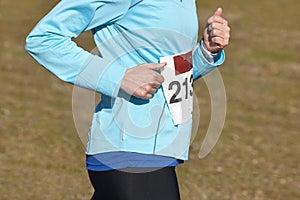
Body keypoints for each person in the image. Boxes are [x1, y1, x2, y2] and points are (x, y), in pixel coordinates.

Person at [25, 0, 230, 199]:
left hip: (164, 146)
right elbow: (44, 39)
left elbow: (166, 71)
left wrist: (206, 51)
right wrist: (118, 78)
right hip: (129, 148)